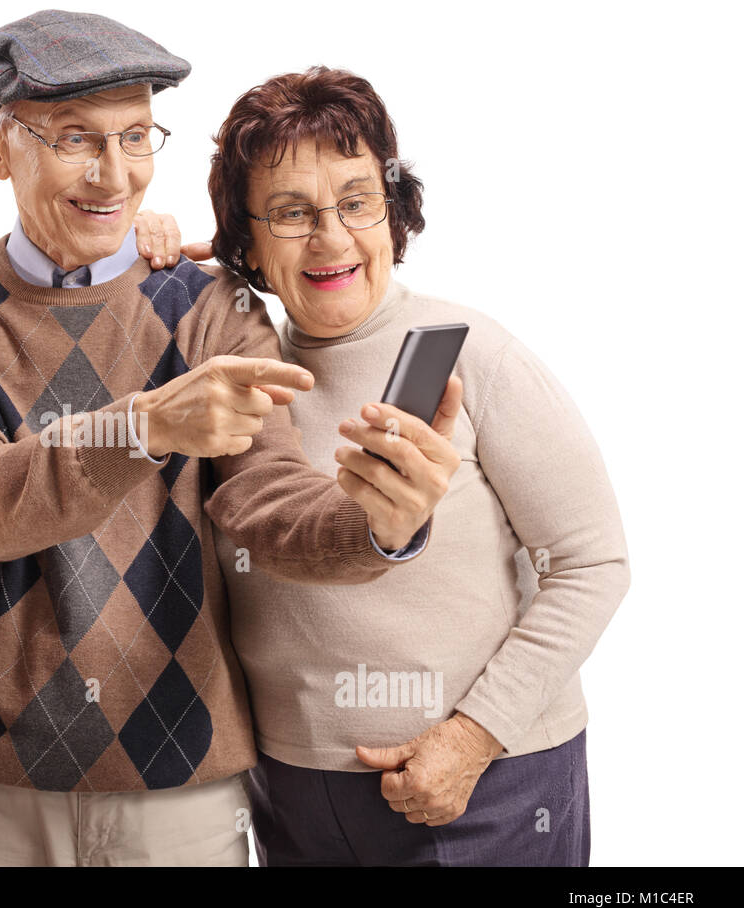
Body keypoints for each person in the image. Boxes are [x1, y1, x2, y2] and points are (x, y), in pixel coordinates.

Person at [0, 11, 458, 866]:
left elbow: (264, 500)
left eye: (136, 136)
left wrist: (380, 528)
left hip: (181, 770)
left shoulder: (211, 305)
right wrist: (147, 426)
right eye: (75, 139)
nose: (112, 174)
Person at [206, 67, 630, 865]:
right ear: (247, 238)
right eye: (291, 214)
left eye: (357, 201)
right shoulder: (231, 371)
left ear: (392, 210)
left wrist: (472, 737)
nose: (331, 239)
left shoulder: (472, 351)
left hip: (489, 781)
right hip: (293, 789)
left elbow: (593, 561)